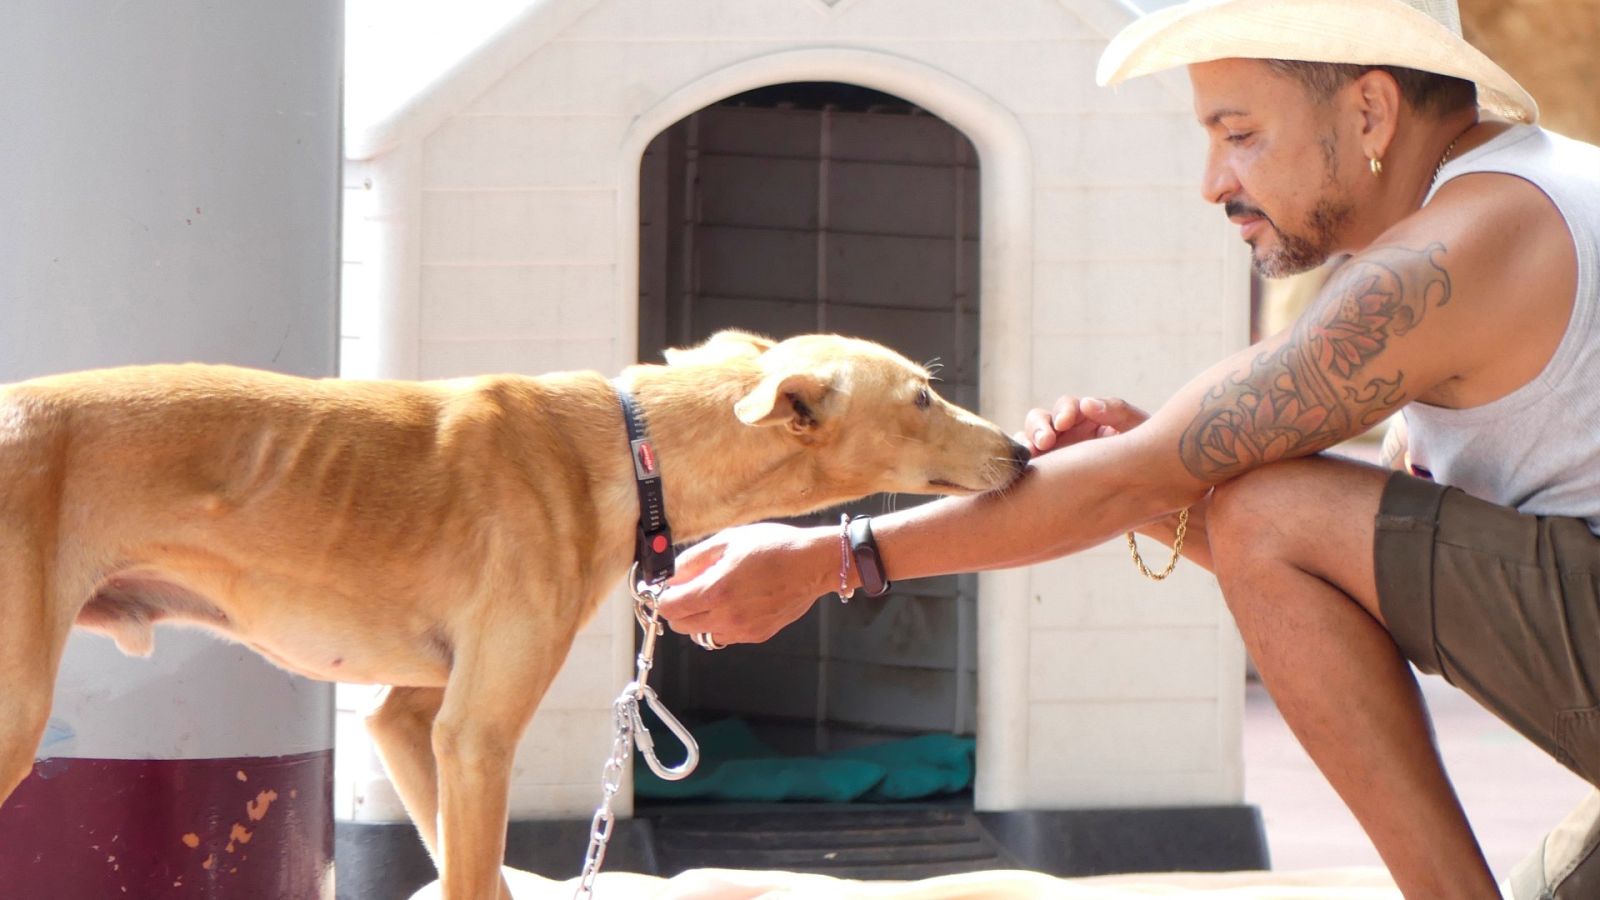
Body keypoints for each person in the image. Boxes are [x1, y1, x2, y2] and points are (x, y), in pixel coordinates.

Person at [656, 1, 1600, 897]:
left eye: (1239, 135)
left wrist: (830, 558)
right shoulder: (1529, 194)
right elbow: (1344, 571)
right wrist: (1152, 490)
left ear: (1369, 109)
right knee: (1262, 505)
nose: (1214, 183)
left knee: (1273, 504)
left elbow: (1221, 502)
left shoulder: (1455, 252)